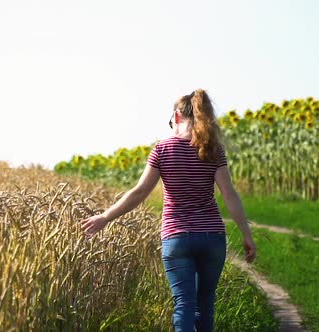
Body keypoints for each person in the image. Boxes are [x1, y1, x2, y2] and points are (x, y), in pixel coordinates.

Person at [80, 89, 256, 332]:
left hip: (177, 238)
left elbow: (140, 191)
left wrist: (105, 216)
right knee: (205, 304)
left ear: (176, 116)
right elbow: (229, 194)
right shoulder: (213, 150)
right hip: (212, 238)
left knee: (184, 303)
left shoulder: (162, 149)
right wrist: (246, 234)